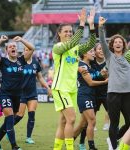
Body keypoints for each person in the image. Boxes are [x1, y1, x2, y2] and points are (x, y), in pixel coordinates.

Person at [52, 8, 96, 150]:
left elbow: (90, 45)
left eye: (70, 31)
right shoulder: (58, 47)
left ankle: (57, 148)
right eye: (66, 31)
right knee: (71, 119)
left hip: (72, 88)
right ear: (59, 34)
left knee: (64, 120)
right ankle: (70, 148)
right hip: (61, 88)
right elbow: (73, 42)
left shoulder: (75, 47)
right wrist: (81, 23)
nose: (69, 33)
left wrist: (91, 25)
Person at [0, 35, 34, 150]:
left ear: (17, 49)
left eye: (14, 46)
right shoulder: (3, 61)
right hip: (5, 94)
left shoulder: (22, 60)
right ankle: (14, 146)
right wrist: (1, 40)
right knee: (10, 117)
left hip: (18, 96)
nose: (13, 48)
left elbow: (31, 48)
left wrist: (21, 40)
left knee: (9, 121)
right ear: (7, 51)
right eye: (10, 47)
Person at [9, 36, 52, 144]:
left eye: (29, 50)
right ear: (23, 52)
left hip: (32, 93)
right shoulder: (19, 62)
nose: (28, 52)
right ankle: (7, 129)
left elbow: (40, 77)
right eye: (26, 50)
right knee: (19, 116)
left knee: (32, 114)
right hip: (21, 94)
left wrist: (47, 87)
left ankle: (28, 137)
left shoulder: (35, 63)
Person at [99, 16, 130, 150]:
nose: (118, 43)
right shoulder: (109, 56)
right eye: (115, 42)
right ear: (112, 45)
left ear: (124, 45)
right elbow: (102, 41)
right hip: (113, 94)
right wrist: (100, 27)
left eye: (120, 42)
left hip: (128, 94)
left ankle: (115, 137)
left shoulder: (127, 58)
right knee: (114, 123)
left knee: (129, 122)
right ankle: (113, 145)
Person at [75, 48, 108, 150]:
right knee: (92, 121)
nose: (93, 54)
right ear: (84, 54)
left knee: (82, 124)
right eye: (91, 52)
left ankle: (69, 140)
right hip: (84, 95)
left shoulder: (90, 66)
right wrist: (106, 81)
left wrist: (102, 74)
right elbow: (90, 82)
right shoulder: (82, 65)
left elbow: (96, 76)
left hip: (91, 96)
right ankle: (92, 147)